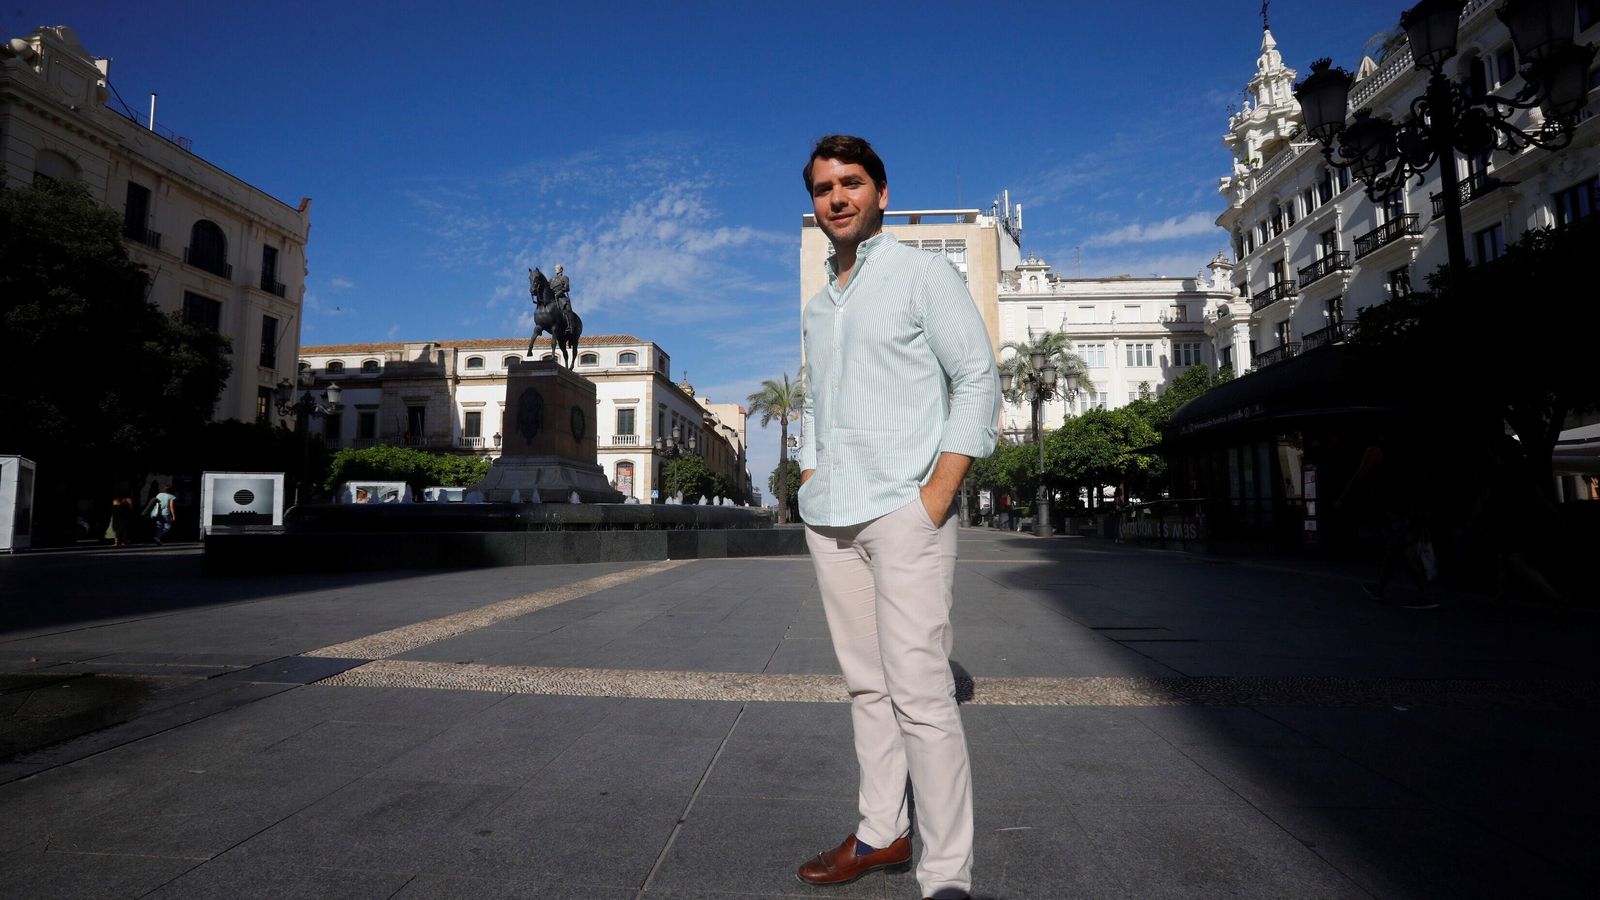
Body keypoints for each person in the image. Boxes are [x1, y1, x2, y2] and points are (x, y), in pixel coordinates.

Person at [792, 135, 998, 900]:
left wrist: (935, 498)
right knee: (866, 687)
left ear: (880, 191)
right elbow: (815, 400)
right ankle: (882, 832)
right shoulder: (819, 304)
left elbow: (977, 380)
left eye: (851, 183)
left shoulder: (922, 274)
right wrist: (810, 477)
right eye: (823, 188)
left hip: (906, 510)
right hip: (832, 516)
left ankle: (946, 877)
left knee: (919, 694)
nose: (837, 197)